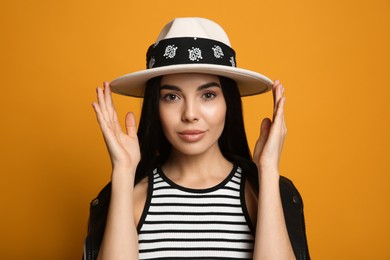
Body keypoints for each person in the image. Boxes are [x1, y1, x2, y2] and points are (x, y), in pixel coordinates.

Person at [83, 17, 310, 260]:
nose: (190, 114)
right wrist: (123, 173)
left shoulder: (262, 193)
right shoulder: (131, 195)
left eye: (208, 95)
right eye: (171, 97)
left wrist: (267, 172)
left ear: (228, 104)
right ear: (154, 106)